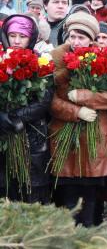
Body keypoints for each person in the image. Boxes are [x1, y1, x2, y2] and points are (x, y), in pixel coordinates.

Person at [49, 12, 107, 227]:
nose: (76, 42)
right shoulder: (57, 58)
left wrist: (85, 97)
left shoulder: (105, 59)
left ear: (91, 39)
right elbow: (49, 101)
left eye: (81, 37)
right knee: (68, 195)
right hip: (65, 136)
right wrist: (75, 111)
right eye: (72, 36)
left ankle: (89, 235)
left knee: (90, 195)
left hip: (94, 135)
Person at [0, 14, 52, 203]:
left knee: (31, 192)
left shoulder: (41, 61)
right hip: (4, 136)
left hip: (31, 136)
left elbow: (44, 101)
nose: (16, 40)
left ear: (31, 38)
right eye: (12, 35)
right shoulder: (1, 58)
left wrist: (14, 117)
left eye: (22, 36)